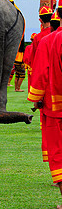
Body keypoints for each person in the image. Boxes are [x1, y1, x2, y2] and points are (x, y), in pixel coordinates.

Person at [27, 10, 61, 171]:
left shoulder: (44, 40)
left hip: (55, 100)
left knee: (57, 146)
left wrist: (36, 96)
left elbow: (39, 69)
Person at [48, 0, 62, 209]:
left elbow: (43, 72)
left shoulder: (52, 40)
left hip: (57, 106)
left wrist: (36, 99)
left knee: (58, 151)